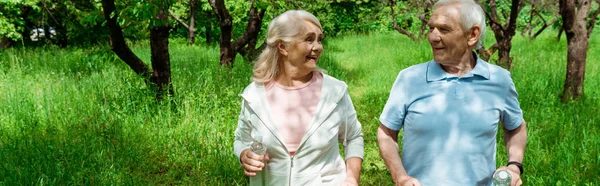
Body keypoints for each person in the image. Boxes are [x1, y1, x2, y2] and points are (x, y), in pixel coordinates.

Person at [376, 0, 528, 186]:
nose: (433, 37)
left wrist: (514, 166)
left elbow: (516, 128)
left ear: (472, 35)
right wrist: (400, 177)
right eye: (431, 28)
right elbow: (386, 133)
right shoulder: (409, 79)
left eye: (444, 29)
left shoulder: (499, 80)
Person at [233, 10, 364, 186]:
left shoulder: (335, 92)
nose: (318, 47)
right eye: (309, 39)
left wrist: (351, 178)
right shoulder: (255, 95)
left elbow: (353, 136)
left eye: (319, 39)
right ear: (282, 46)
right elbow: (243, 139)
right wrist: (245, 154)